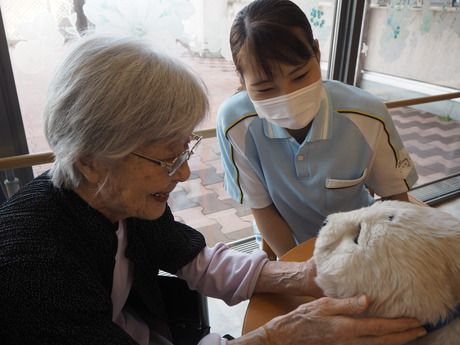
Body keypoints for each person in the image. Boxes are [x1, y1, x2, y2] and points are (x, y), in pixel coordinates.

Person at [0, 35, 426, 345]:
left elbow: (194, 259)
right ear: (90, 162)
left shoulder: (117, 199)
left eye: (184, 149)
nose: (184, 173)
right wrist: (280, 337)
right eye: (167, 159)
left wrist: (302, 275)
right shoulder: (31, 270)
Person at [216, 0, 419, 258]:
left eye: (300, 76)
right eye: (265, 88)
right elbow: (262, 208)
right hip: (285, 244)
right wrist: (300, 270)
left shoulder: (367, 116)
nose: (288, 97)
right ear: (241, 78)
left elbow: (395, 199)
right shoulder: (235, 123)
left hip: (356, 244)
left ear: (317, 53)